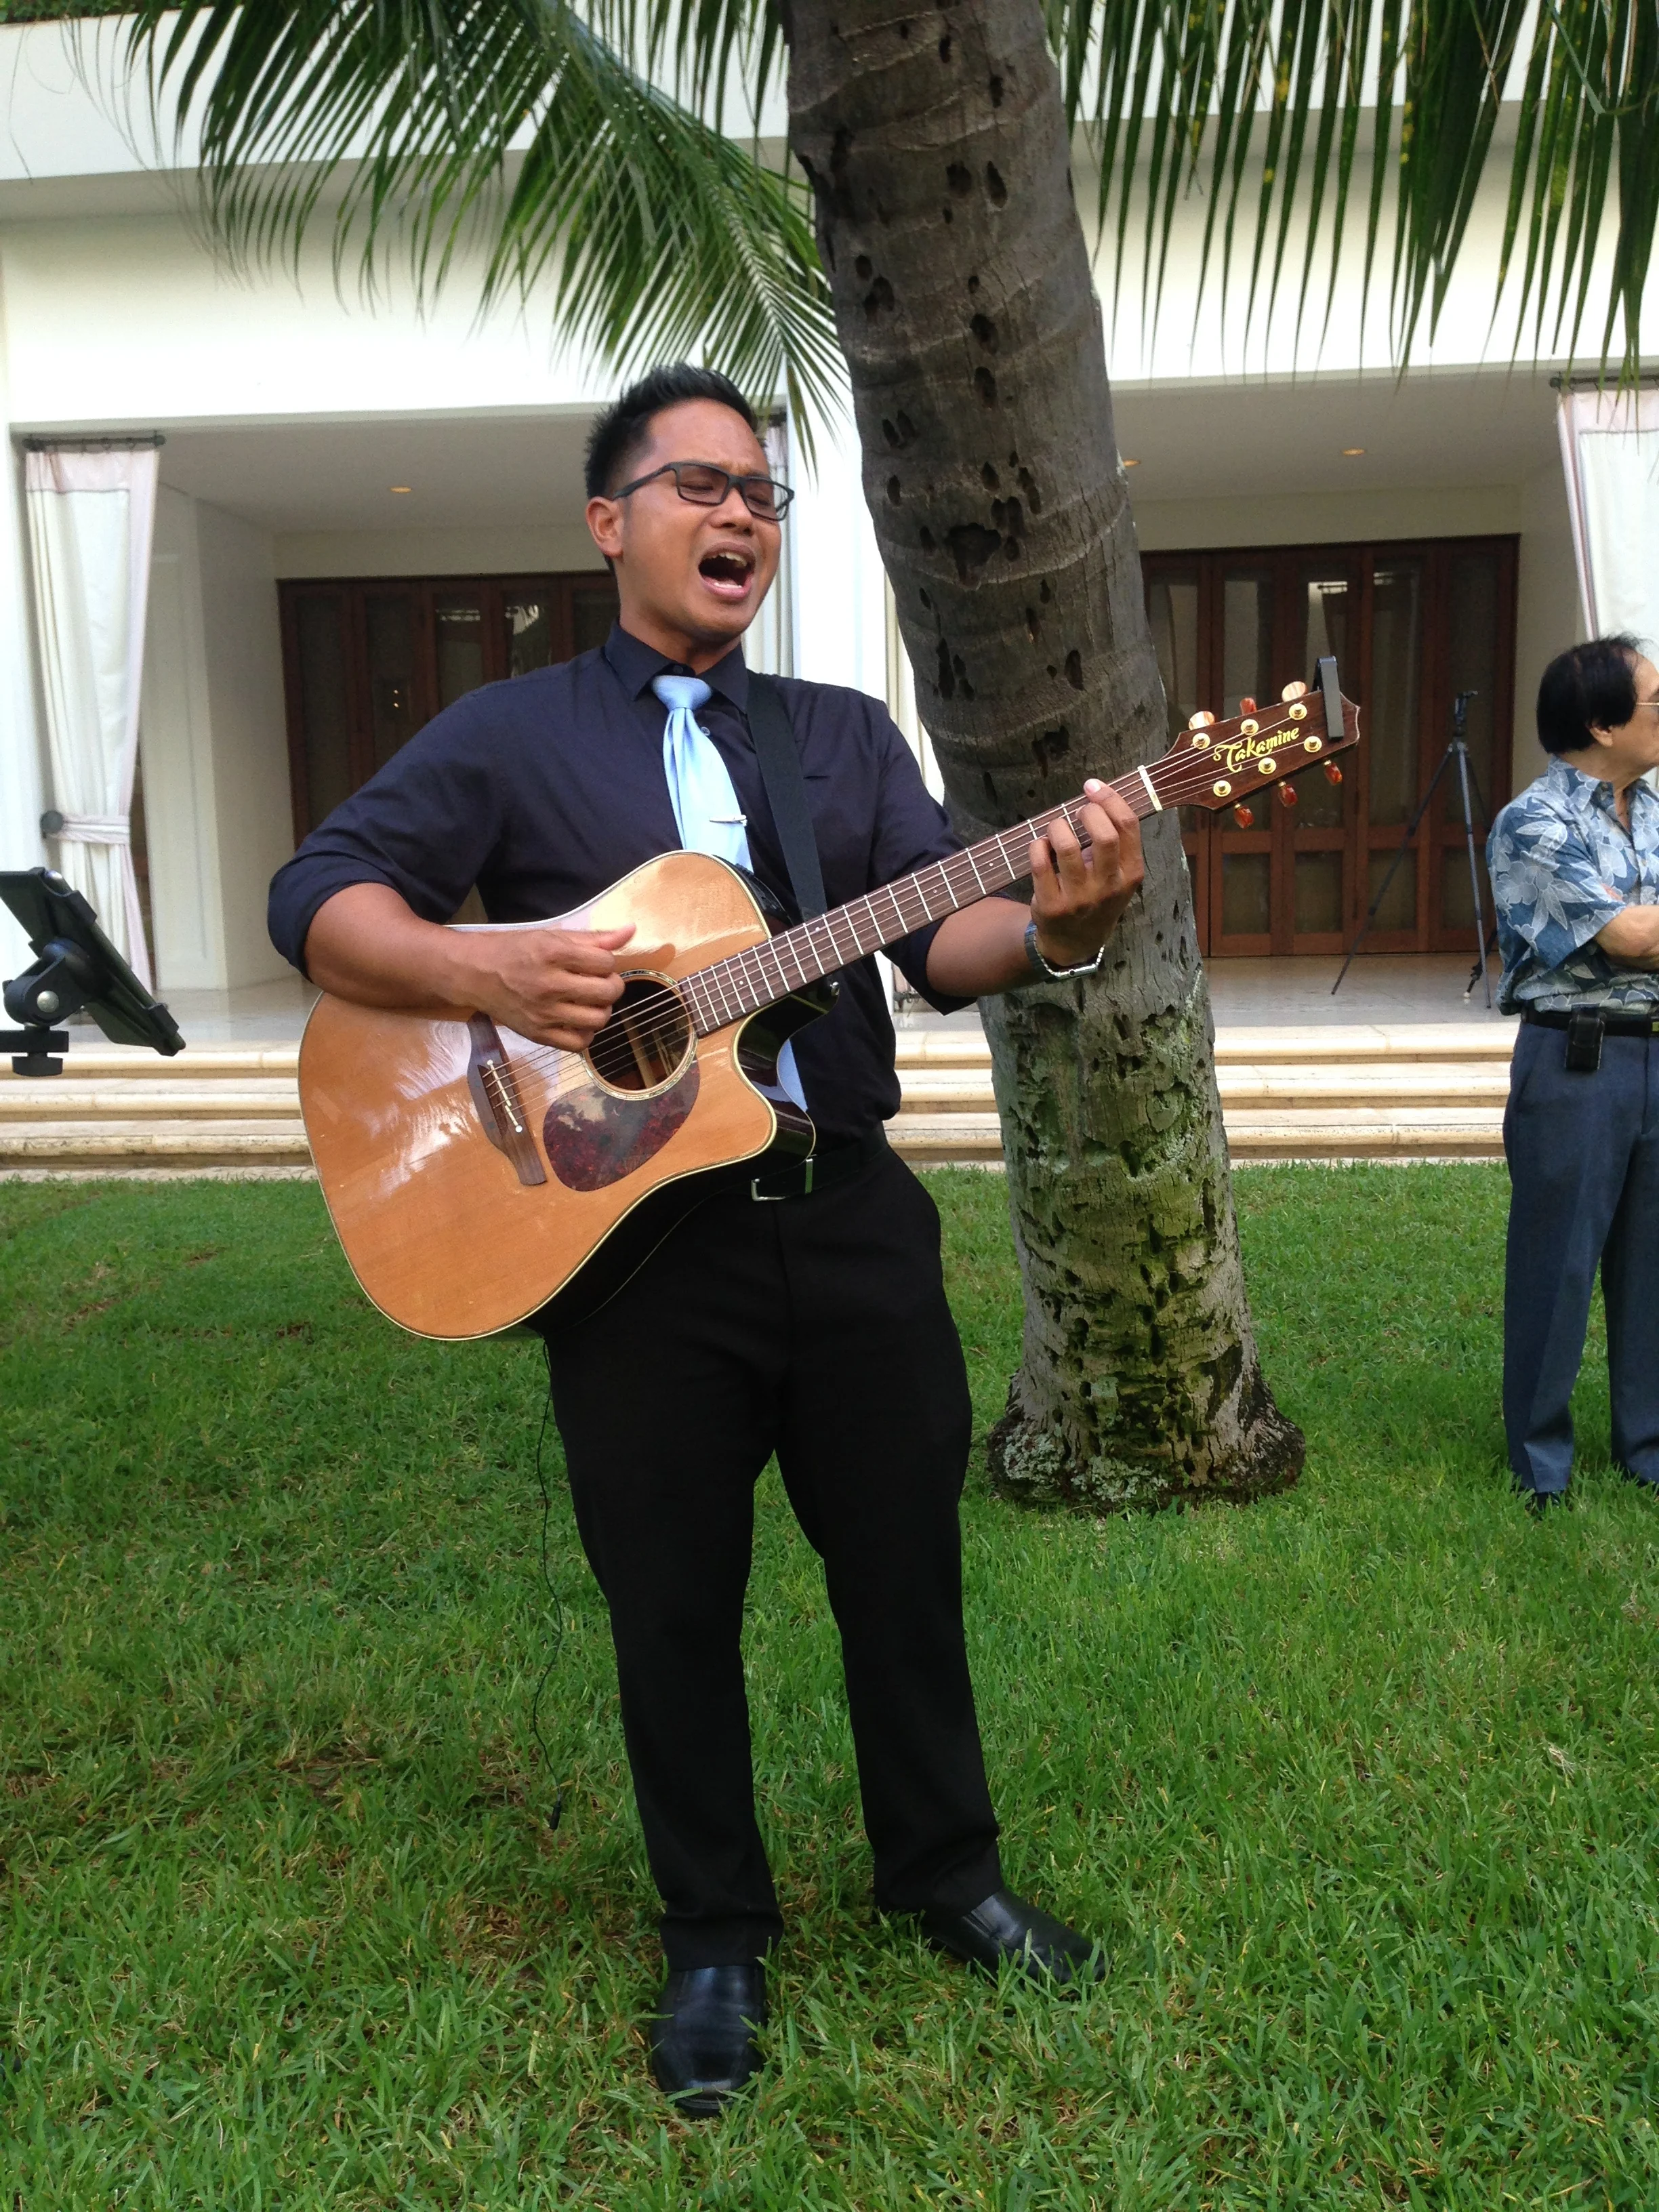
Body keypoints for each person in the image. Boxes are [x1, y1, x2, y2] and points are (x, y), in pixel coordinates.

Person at [267, 365, 1144, 2116]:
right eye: (697, 485)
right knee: (673, 1608)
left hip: (854, 1218)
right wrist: (490, 969)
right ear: (611, 521)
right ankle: (715, 1940)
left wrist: (1059, 928)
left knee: (904, 1571)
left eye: (761, 492)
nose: (738, 514)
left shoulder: (838, 737)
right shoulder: (510, 736)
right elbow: (321, 900)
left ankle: (947, 1879)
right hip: (638, 1258)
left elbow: (940, 944)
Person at [1487, 634, 1659, 1514]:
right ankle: (1540, 1463)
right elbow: (1629, 938)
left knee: (1652, 1263)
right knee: (1558, 1265)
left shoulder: (1658, 809)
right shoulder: (1533, 824)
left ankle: (1648, 1446)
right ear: (1601, 721)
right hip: (1578, 1059)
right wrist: (1640, 923)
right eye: (1655, 701)